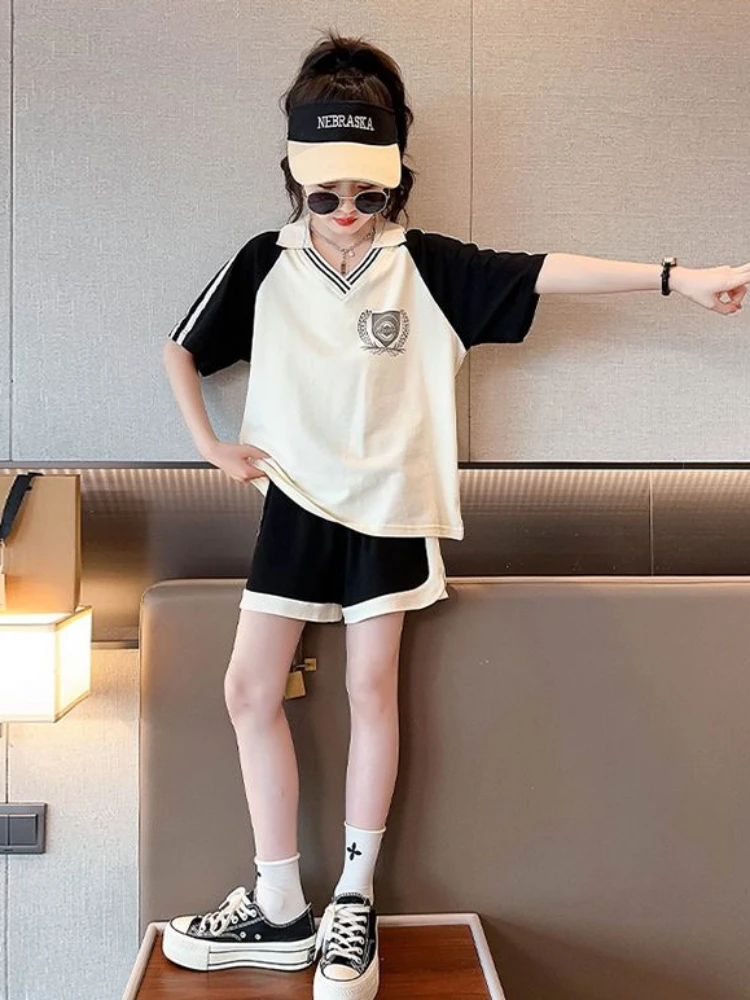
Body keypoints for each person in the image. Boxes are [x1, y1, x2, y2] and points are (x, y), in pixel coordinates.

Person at [159, 28, 749, 1000]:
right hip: (295, 504)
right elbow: (183, 347)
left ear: (397, 183)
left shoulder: (427, 266)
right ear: (295, 180)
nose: (347, 215)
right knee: (247, 690)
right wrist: (210, 445)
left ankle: (354, 900)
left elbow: (545, 269)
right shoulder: (265, 262)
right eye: (325, 196)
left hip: (393, 507)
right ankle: (278, 903)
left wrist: (676, 279)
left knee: (372, 689)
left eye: (370, 196)